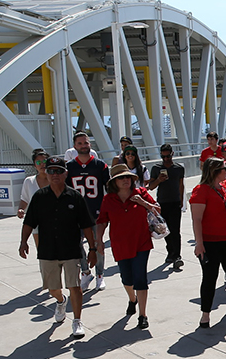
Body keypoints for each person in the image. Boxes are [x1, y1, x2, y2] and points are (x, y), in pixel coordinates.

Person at [19, 157, 97, 339]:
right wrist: (23, 242)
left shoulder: (75, 197)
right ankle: (61, 301)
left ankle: (77, 320)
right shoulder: (39, 197)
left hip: (71, 250)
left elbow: (86, 225)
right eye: (51, 171)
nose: (55, 175)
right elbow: (29, 221)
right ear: (46, 173)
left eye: (58, 171)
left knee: (75, 286)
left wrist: (93, 249)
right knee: (53, 288)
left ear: (65, 174)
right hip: (47, 251)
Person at [95, 165, 160, 329]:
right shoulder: (108, 199)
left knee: (140, 278)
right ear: (114, 182)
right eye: (121, 178)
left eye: (127, 177)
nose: (125, 180)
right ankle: (132, 299)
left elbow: (158, 210)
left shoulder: (141, 194)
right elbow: (102, 220)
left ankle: (142, 315)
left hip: (141, 242)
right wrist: (99, 241)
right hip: (120, 243)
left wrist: (143, 203)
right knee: (126, 278)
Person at [190, 157, 226, 328]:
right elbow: (196, 219)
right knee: (210, 277)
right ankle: (205, 313)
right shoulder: (201, 191)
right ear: (214, 171)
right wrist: (199, 243)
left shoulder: (224, 186)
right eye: (223, 168)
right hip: (210, 241)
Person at [67, 131, 112, 292]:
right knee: (76, 245)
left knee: (98, 244)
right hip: (76, 214)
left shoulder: (100, 165)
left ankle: (100, 274)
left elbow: (109, 188)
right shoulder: (70, 167)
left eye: (85, 143)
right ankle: (86, 272)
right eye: (79, 143)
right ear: (74, 146)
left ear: (90, 144)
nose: (83, 146)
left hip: (96, 211)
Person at [147, 144, 185, 269]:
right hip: (162, 203)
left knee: (175, 230)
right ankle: (170, 252)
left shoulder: (178, 168)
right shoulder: (156, 168)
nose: (166, 159)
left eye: (168, 156)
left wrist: (181, 201)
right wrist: (159, 180)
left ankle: (177, 256)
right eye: (163, 157)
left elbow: (181, 185)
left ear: (172, 154)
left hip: (175, 202)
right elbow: (151, 186)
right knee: (164, 230)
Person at [17, 148, 50, 231]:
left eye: (45, 161)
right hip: (37, 222)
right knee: (40, 244)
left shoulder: (57, 180)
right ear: (35, 165)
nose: (42, 164)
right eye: (38, 162)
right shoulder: (29, 181)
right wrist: (21, 210)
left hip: (56, 221)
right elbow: (24, 199)